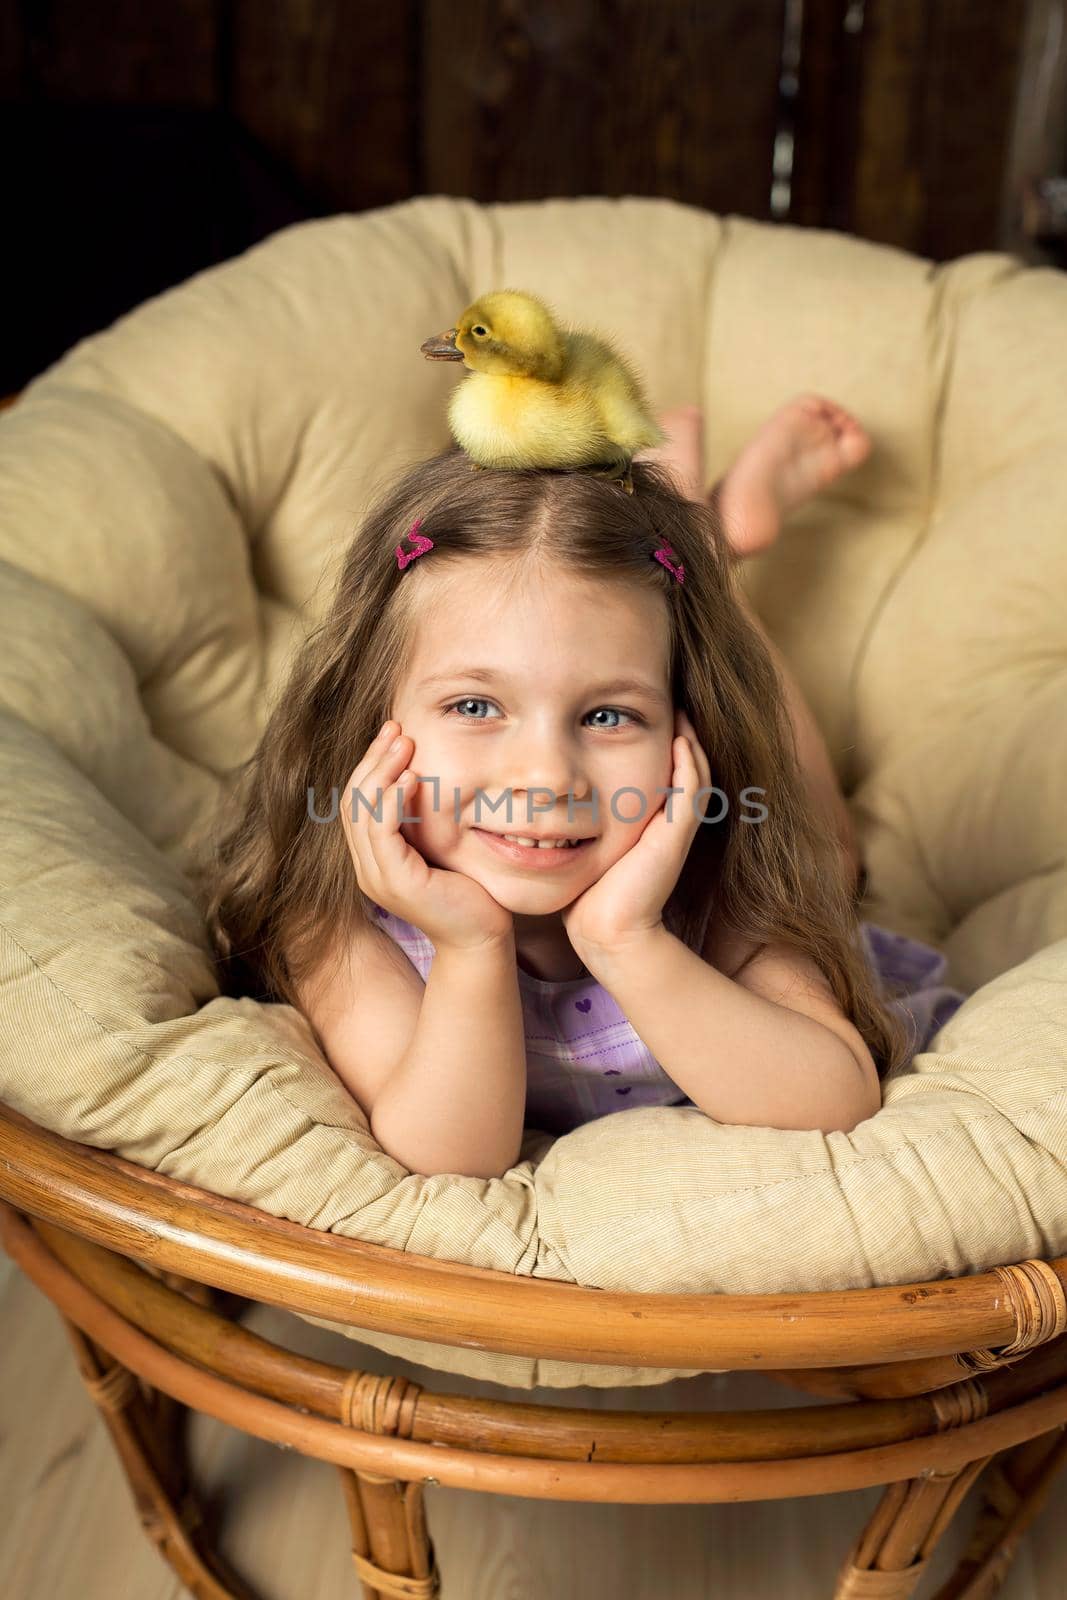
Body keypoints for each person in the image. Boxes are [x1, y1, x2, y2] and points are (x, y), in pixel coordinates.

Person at [204, 396, 966, 1178]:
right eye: (474, 706)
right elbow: (450, 1157)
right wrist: (470, 945)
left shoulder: (718, 884)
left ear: (680, 731)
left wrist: (626, 940)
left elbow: (832, 1098)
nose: (544, 776)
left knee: (825, 855)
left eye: (607, 714)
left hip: (714, 862)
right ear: (366, 720)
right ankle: (701, 536)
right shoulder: (337, 918)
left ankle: (709, 556)